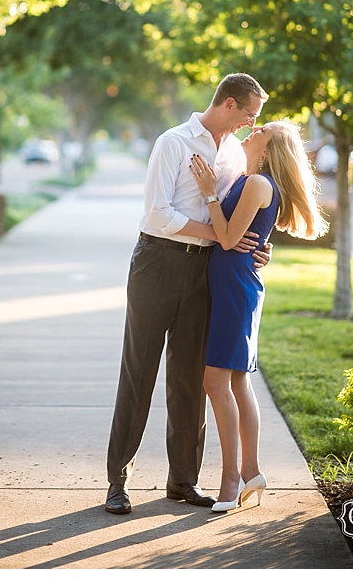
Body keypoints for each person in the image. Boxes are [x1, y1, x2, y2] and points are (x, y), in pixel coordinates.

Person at [104, 73, 271, 516]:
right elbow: (158, 213)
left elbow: (236, 214)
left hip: (204, 273)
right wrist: (224, 238)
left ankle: (183, 480)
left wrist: (252, 245)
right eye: (249, 115)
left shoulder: (235, 153)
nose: (250, 125)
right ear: (229, 104)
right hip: (157, 262)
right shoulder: (174, 142)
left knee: (190, 379)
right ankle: (117, 481)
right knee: (139, 371)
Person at [189, 121, 328, 512]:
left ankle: (231, 478)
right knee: (235, 382)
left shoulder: (258, 184)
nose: (251, 132)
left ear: (268, 150)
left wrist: (208, 195)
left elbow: (230, 239)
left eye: (260, 131)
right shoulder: (249, 180)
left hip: (236, 289)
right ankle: (251, 471)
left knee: (215, 383)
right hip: (235, 284)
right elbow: (244, 237)